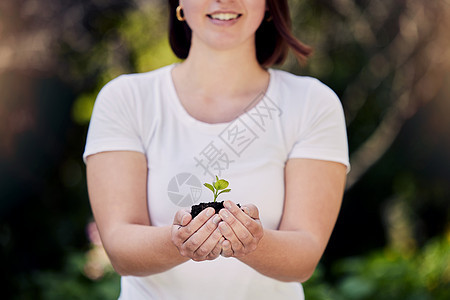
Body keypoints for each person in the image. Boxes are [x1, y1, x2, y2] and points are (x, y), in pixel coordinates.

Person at [83, 0, 350, 299]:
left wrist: (254, 243)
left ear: (268, 5)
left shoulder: (311, 104)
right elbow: (120, 247)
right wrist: (178, 241)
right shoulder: (125, 100)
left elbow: (304, 256)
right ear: (180, 3)